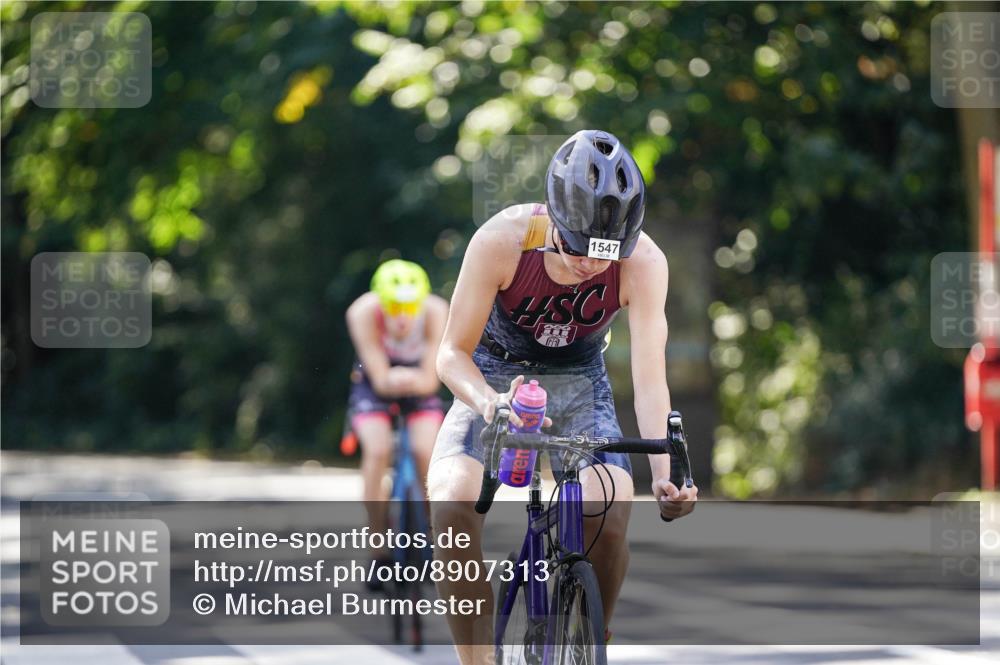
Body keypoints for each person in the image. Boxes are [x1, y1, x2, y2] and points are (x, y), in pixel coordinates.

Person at [428, 130, 699, 663]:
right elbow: (450, 355)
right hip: (495, 378)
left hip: (579, 378)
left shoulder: (644, 262)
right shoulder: (503, 239)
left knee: (611, 505)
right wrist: (489, 404)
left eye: (607, 255)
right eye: (578, 248)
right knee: (452, 503)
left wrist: (667, 475)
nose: (592, 267)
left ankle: (591, 635)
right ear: (553, 217)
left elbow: (649, 377)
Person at [346, 259, 448, 573]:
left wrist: (408, 379)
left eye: (409, 308)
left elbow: (431, 380)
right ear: (380, 303)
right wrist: (397, 378)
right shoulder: (362, 312)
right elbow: (379, 378)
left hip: (420, 389)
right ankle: (378, 547)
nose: (402, 318)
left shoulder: (435, 310)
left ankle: (432, 537)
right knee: (377, 451)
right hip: (373, 389)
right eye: (393, 307)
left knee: (424, 453)